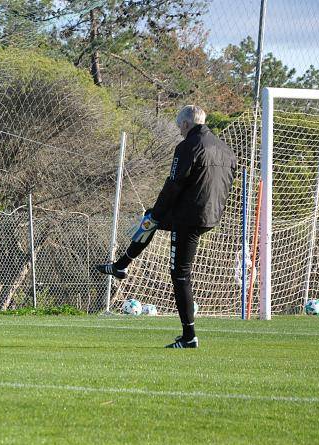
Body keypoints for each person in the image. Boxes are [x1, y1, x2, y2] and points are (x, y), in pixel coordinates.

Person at [95, 105, 237, 348]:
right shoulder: (226, 149)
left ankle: (189, 337)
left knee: (180, 274)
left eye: (178, 127)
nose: (179, 132)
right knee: (150, 219)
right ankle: (120, 266)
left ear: (185, 125)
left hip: (188, 218)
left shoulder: (187, 146)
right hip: (210, 215)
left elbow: (174, 183)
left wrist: (159, 212)